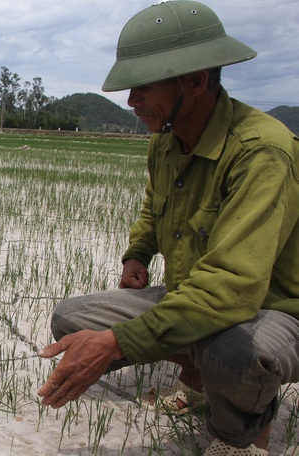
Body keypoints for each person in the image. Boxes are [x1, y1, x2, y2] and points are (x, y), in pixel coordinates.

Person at [36, 1, 299, 455]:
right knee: (72, 318)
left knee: (235, 352)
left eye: (142, 87)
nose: (131, 102)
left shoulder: (261, 152)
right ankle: (202, 374)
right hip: (193, 296)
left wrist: (118, 342)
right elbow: (155, 206)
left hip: (271, 311)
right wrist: (138, 252)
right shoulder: (166, 140)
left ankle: (240, 434)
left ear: (195, 81)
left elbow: (234, 288)